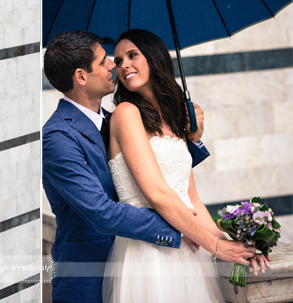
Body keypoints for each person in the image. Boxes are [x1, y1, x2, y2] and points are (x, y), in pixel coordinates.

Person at [42, 31, 259, 303]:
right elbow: (102, 212)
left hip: (155, 261)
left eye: (127, 56)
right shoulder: (57, 138)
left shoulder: (115, 119)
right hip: (93, 274)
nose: (114, 65)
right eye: (105, 61)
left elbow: (165, 171)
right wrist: (183, 230)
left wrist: (193, 139)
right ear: (81, 77)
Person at [102, 29, 270, 302]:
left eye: (132, 55)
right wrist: (216, 247)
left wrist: (231, 242)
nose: (124, 66)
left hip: (188, 249)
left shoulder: (175, 119)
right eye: (118, 61)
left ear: (154, 58)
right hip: (150, 252)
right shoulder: (126, 113)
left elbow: (191, 198)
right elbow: (157, 194)